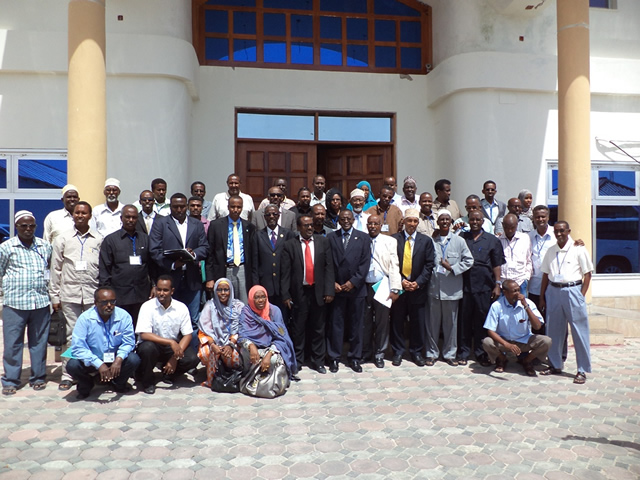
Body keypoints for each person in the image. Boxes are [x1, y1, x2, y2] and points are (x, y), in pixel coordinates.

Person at [50, 201, 102, 391]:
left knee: (93, 335)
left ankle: (92, 371)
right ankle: (68, 374)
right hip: (69, 295)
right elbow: (55, 268)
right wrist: (54, 296)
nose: (80, 216)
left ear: (90, 216)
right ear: (73, 215)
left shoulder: (99, 239)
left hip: (92, 295)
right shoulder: (62, 239)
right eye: (77, 213)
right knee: (71, 336)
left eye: (84, 213)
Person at [0, 211, 52, 395]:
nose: (28, 229)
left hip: (40, 302)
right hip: (15, 303)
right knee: (13, 344)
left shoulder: (45, 246)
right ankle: (11, 380)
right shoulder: (6, 247)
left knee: (39, 343)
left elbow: (49, 269)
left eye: (32, 226)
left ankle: (38, 377)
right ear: (16, 227)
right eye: (24, 226)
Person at [539, 221, 594, 384]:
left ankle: (582, 369)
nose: (559, 234)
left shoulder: (578, 249)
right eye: (556, 231)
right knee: (554, 330)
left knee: (579, 331)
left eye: (562, 231)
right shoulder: (551, 250)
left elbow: (587, 274)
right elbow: (545, 274)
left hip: (573, 290)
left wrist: (581, 295)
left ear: (568, 231)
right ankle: (555, 364)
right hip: (553, 291)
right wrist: (542, 297)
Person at [281, 215, 335, 373]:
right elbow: (285, 272)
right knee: (298, 328)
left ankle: (318, 361)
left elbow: (329, 268)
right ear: (299, 227)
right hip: (299, 293)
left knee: (318, 328)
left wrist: (329, 290)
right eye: (306, 225)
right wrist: (285, 295)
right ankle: (298, 360)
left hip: (318, 292)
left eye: (311, 225)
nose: (310, 227)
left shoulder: (322, 242)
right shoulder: (290, 245)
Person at [68, 286, 140, 400]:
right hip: (93, 359)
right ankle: (87, 384)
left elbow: (129, 342)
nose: (109, 305)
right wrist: (99, 364)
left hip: (115, 359)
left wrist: (119, 359)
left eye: (112, 301)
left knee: (134, 359)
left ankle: (118, 383)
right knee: (72, 365)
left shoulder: (124, 316)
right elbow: (78, 347)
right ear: (95, 303)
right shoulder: (85, 318)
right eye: (104, 302)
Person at [149, 193, 209, 328]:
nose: (179, 210)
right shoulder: (160, 224)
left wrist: (194, 254)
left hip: (192, 279)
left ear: (186, 206)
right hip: (170, 278)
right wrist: (172, 264)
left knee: (192, 320)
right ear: (170, 207)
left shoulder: (196, 224)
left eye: (182, 207)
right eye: (175, 207)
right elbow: (154, 250)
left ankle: (190, 342)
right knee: (169, 319)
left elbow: (204, 247)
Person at [135, 275, 200, 394]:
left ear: (172, 291)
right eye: (159, 289)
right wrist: (170, 342)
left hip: (171, 349)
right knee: (147, 348)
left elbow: (188, 335)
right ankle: (147, 381)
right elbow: (144, 334)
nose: (161, 293)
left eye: (165, 290)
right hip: (153, 345)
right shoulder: (147, 306)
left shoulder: (181, 307)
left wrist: (174, 358)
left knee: (192, 358)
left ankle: (169, 374)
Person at [427, 210, 474, 366]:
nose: (445, 222)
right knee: (432, 324)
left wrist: (452, 268)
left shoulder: (459, 241)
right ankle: (431, 353)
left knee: (451, 325)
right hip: (434, 289)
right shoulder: (431, 240)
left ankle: (450, 354)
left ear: (451, 222)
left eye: (447, 219)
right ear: (437, 222)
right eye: (442, 219)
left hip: (452, 290)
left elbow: (469, 261)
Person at [458, 210, 505, 366]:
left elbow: (497, 264)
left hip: (484, 287)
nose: (475, 222)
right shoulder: (462, 238)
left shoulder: (492, 240)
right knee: (464, 321)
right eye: (472, 219)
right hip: (464, 287)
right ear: (468, 221)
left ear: (483, 221)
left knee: (481, 321)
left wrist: (497, 284)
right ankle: (464, 352)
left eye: (478, 219)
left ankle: (481, 353)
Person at [327, 210, 371, 373]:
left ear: (353, 220)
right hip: (337, 289)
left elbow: (365, 263)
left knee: (356, 326)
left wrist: (353, 282)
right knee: (336, 325)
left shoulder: (363, 238)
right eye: (342, 218)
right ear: (338, 220)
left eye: (348, 218)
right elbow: (327, 262)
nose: (345, 221)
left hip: (356, 290)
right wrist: (332, 283)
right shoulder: (331, 237)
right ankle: (334, 358)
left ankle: (354, 358)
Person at [389, 209, 434, 367]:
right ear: (404, 222)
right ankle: (398, 352)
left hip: (418, 289)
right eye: (409, 221)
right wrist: (401, 281)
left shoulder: (426, 241)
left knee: (417, 322)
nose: (412, 224)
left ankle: (416, 352)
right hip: (399, 289)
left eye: (415, 221)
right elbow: (390, 263)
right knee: (397, 322)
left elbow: (429, 264)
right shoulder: (394, 239)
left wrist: (418, 282)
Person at [99, 205, 155, 327]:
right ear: (121, 218)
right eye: (127, 217)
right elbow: (105, 269)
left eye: (134, 217)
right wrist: (106, 292)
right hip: (119, 295)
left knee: (139, 326)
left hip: (141, 293)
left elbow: (152, 265)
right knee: (119, 326)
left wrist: (154, 285)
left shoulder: (145, 239)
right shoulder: (111, 240)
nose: (130, 220)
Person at [482, 279, 551, 376]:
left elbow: (537, 326)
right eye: (514, 291)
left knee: (546, 341)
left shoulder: (528, 303)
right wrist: (507, 344)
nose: (518, 293)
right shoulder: (496, 306)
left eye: (518, 290)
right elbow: (490, 330)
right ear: (505, 292)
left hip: (523, 340)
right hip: (504, 341)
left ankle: (526, 361)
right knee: (487, 342)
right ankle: (502, 359)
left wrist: (526, 307)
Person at [238, 286, 297, 398]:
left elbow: (282, 337)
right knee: (244, 353)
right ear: (251, 299)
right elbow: (242, 335)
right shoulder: (247, 312)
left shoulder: (274, 311)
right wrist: (251, 345)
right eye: (257, 297)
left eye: (263, 297)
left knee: (274, 360)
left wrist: (269, 354)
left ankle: (272, 382)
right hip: (253, 347)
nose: (261, 300)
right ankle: (249, 379)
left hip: (271, 347)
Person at [362, 215, 401, 368]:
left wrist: (395, 288)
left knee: (382, 322)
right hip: (364, 286)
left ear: (380, 225)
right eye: (370, 224)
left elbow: (394, 265)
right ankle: (366, 352)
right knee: (365, 322)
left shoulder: (389, 241)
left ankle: (379, 353)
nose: (372, 226)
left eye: (376, 224)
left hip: (382, 285)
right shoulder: (362, 239)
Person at [206, 195, 256, 304]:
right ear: (228, 207)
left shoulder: (249, 227)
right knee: (223, 303)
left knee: (243, 304)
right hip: (223, 269)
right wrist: (209, 278)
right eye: (233, 207)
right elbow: (209, 254)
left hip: (242, 269)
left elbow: (253, 254)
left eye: (239, 207)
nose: (235, 210)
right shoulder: (216, 225)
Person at [197, 278, 244, 388]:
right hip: (214, 341)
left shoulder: (238, 307)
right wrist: (213, 345)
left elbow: (242, 329)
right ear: (215, 291)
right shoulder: (210, 306)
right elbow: (204, 330)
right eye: (219, 290)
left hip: (233, 342)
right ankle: (213, 376)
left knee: (234, 356)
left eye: (226, 290)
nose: (223, 293)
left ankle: (229, 372)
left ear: (231, 291)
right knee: (206, 353)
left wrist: (230, 344)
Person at [253, 204, 296, 314]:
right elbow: (255, 264)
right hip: (265, 286)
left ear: (278, 216)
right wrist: (256, 286)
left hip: (283, 288)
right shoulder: (258, 235)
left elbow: (293, 262)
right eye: (268, 214)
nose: (271, 216)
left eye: (274, 214)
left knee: (282, 318)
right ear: (264, 217)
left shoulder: (288, 234)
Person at [499, 214, 532, 296]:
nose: (510, 230)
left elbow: (528, 259)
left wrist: (526, 278)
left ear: (517, 225)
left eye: (512, 227)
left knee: (522, 304)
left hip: (520, 282)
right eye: (507, 227)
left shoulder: (525, 238)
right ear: (502, 225)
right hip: (503, 283)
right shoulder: (498, 240)